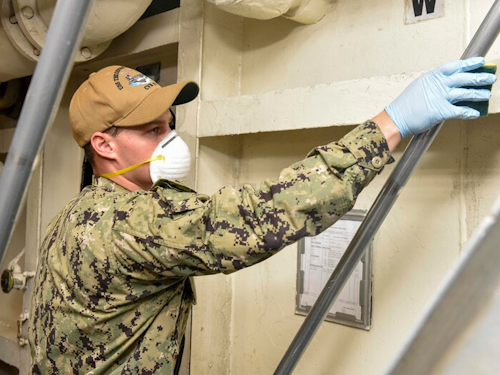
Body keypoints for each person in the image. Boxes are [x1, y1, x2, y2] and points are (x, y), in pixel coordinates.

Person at [28, 58, 496, 374]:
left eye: (170, 126)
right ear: (104, 145)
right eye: (152, 130)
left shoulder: (76, 213)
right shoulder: (133, 224)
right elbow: (258, 216)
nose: (170, 140)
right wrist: (389, 124)